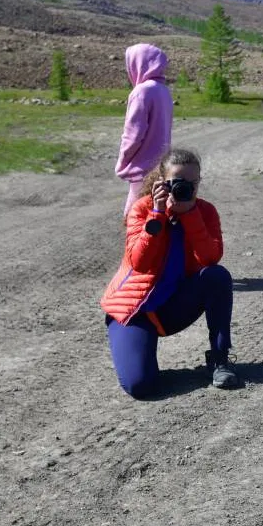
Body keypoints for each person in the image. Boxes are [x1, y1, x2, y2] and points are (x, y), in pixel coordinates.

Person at [100, 148, 240, 397]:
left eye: (192, 183)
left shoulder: (204, 211)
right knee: (140, 386)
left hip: (175, 305)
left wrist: (189, 215)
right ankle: (141, 358)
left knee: (217, 276)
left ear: (199, 183)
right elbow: (139, 263)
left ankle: (220, 360)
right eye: (178, 182)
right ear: (162, 183)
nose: (185, 188)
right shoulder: (143, 209)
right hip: (137, 310)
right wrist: (157, 214)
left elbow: (210, 258)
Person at [114, 43, 174, 218]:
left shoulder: (142, 92)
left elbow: (133, 135)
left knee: (134, 219)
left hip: (142, 170)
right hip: (161, 167)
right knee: (155, 218)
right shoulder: (163, 91)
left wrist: (123, 162)